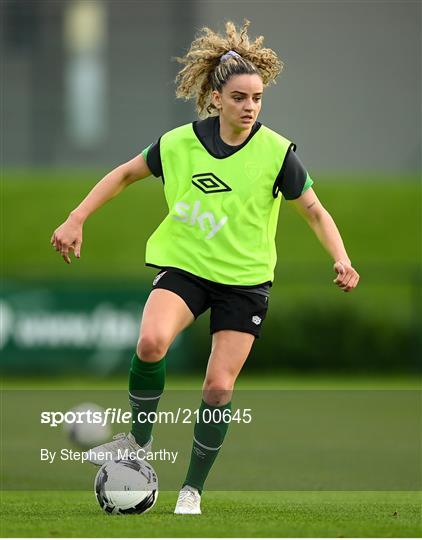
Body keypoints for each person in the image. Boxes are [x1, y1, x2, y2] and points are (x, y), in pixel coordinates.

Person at [51, 20, 359, 515]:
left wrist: (341, 258)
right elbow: (127, 173)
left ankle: (192, 488)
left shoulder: (278, 153)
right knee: (150, 342)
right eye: (239, 96)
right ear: (216, 98)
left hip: (244, 283)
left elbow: (315, 211)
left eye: (257, 97)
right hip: (187, 268)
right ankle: (138, 445)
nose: (250, 106)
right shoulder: (177, 144)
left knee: (218, 386)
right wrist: (76, 216)